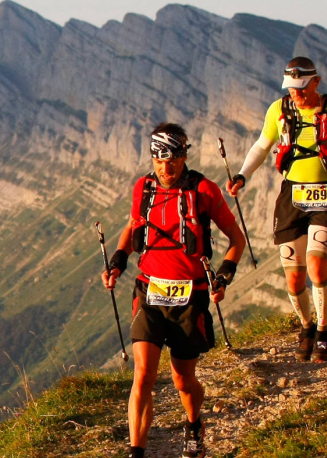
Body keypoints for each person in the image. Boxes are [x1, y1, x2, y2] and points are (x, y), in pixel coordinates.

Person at [102, 123, 246, 458]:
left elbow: (236, 241)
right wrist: (117, 262)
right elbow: (133, 227)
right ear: (153, 158)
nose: (165, 168)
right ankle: (136, 450)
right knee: (143, 376)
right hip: (149, 291)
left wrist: (223, 277)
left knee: (183, 381)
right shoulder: (144, 188)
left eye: (172, 161)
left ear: (183, 156)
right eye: (159, 161)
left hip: (189, 296)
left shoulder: (205, 190)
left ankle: (194, 423)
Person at [226, 56, 327, 362]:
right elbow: (262, 146)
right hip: (291, 196)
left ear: (316, 82)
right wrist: (242, 175)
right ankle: (305, 326)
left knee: (317, 266)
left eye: (302, 88)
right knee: (293, 278)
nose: (297, 94)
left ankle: (323, 331)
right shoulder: (278, 111)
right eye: (292, 88)